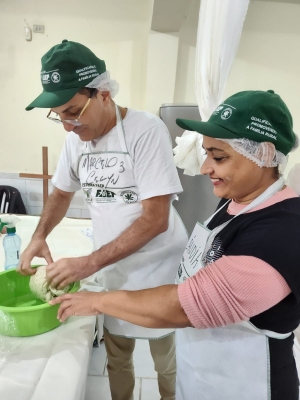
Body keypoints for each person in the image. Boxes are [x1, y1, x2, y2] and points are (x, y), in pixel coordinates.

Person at [51, 89, 300, 400]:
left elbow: (186, 305)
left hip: (246, 384)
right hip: (205, 374)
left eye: (219, 157)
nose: (207, 167)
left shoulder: (283, 229)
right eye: (207, 153)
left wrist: (96, 301)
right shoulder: (238, 201)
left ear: (264, 154)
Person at [19, 39, 188, 400]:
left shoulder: (146, 131)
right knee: (118, 353)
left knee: (165, 357)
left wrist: (88, 263)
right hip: (115, 267)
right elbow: (61, 193)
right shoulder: (76, 141)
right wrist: (39, 236)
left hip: (158, 267)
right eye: (59, 115)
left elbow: (156, 219)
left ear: (104, 94)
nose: (67, 125)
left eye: (74, 111)